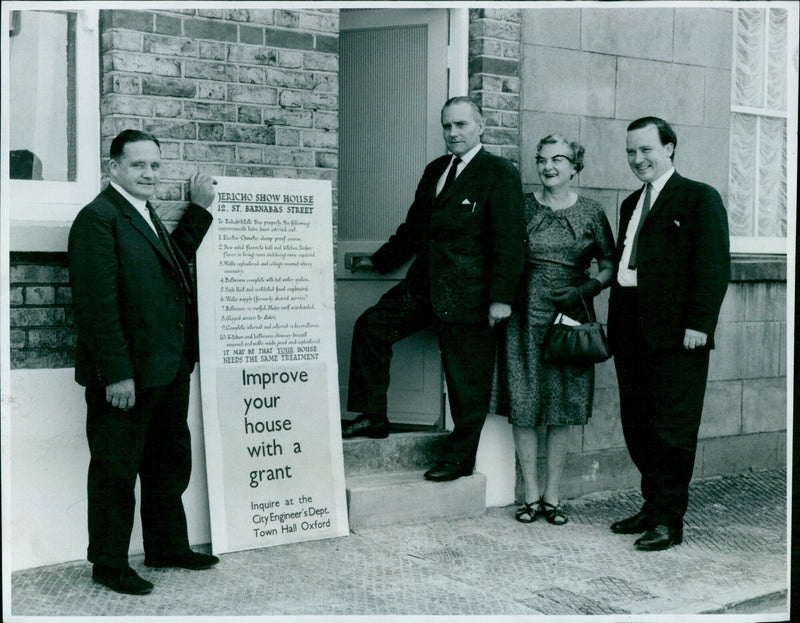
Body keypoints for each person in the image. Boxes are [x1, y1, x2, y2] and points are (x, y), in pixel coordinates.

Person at [342, 96, 526, 483]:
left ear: (481, 126)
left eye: (461, 124)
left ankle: (459, 460)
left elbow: (510, 241)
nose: (453, 133)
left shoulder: (499, 172)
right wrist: (378, 260)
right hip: (423, 288)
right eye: (447, 126)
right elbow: (414, 229)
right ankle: (373, 415)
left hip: (471, 297)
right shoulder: (436, 170)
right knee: (371, 327)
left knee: (466, 382)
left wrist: (501, 298)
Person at [68, 129, 219, 595]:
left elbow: (169, 263)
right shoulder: (97, 219)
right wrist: (117, 374)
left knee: (167, 462)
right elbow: (97, 306)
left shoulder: (142, 212)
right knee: (116, 469)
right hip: (127, 376)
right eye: (138, 165)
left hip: (167, 368)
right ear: (113, 168)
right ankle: (109, 564)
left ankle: (167, 546)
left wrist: (199, 212)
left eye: (155, 165)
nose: (149, 174)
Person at [607, 117, 729, 551]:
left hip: (678, 336)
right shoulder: (630, 205)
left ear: (670, 148)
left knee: (672, 429)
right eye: (630, 152)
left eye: (646, 150)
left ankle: (669, 521)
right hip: (631, 333)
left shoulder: (698, 198)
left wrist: (700, 323)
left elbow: (713, 267)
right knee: (637, 424)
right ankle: (651, 505)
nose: (637, 159)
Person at [494, 135, 615, 525]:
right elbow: (503, 252)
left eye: (558, 160)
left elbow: (610, 263)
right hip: (525, 313)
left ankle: (553, 496)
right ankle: (529, 495)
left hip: (570, 318)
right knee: (526, 405)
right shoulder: (522, 207)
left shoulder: (592, 211)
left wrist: (586, 288)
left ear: (575, 167)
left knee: (562, 406)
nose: (548, 167)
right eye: (542, 160)